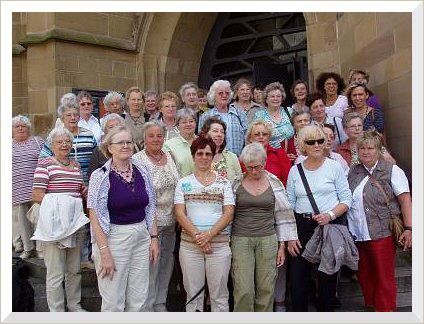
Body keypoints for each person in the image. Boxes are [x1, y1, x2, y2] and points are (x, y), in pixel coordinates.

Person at [87, 126, 159, 311]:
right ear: (109, 148)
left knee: (139, 298)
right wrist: (104, 252)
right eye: (121, 142)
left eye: (129, 142)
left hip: (141, 235)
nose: (126, 146)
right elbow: (94, 215)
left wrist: (153, 238)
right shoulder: (100, 176)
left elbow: (150, 206)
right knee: (113, 301)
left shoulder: (142, 170)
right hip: (114, 238)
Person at [286, 125, 352, 312]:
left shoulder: (334, 166)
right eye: (310, 142)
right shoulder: (295, 171)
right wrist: (291, 236)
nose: (316, 145)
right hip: (302, 226)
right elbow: (289, 205)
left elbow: (346, 199)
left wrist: (330, 215)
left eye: (320, 141)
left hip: (329, 226)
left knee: (327, 280)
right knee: (298, 280)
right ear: (302, 146)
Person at [347, 130, 412, 312]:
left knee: (384, 275)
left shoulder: (391, 170)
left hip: (381, 232)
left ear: (379, 150)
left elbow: (405, 199)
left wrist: (409, 228)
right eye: (362, 148)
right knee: (365, 274)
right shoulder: (353, 171)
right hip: (357, 233)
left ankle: (385, 311)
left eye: (370, 148)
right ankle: (372, 306)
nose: (366, 152)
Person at [231, 143, 298, 312]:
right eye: (250, 167)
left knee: (266, 288)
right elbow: (227, 214)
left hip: (268, 238)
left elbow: (284, 215)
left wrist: (282, 246)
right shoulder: (236, 184)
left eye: (258, 167)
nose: (254, 171)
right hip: (241, 238)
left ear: (265, 162)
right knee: (243, 288)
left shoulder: (274, 183)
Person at [174, 136, 235, 312]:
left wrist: (209, 236)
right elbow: (179, 212)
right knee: (193, 295)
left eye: (208, 153)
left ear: (213, 156)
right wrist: (199, 237)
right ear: (193, 156)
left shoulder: (224, 183)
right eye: (199, 153)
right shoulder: (183, 183)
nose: (204, 157)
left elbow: (229, 212)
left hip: (219, 246)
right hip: (190, 247)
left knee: (220, 295)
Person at [32, 127, 89, 312]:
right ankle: (56, 311)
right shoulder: (45, 164)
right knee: (55, 272)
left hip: (75, 222)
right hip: (54, 224)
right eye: (59, 142)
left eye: (67, 142)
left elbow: (80, 189)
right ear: (51, 144)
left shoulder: (76, 165)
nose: (64, 145)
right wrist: (63, 204)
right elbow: (37, 194)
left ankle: (74, 305)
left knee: (74, 269)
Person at [133, 121, 180, 312]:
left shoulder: (170, 156)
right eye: (151, 136)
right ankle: (148, 306)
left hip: (171, 221)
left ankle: (160, 302)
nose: (155, 139)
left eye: (159, 135)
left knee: (166, 263)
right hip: (149, 224)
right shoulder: (137, 159)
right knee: (151, 265)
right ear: (144, 138)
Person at [39, 101, 96, 186]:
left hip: (87, 185)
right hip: (63, 185)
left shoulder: (89, 134)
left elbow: (96, 158)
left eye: (75, 115)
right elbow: (42, 159)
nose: (73, 118)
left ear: (79, 117)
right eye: (68, 115)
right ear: (62, 118)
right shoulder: (55, 135)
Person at [12, 115, 45, 258]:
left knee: (39, 217)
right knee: (23, 221)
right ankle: (28, 247)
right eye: (17, 126)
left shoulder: (38, 142)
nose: (20, 128)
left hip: (36, 187)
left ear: (29, 128)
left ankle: (40, 248)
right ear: (12, 130)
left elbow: (46, 160)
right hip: (16, 188)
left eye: (23, 126)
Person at [198, 80, 248, 156]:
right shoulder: (206, 116)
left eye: (227, 93)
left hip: (238, 160)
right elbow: (202, 140)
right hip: (215, 160)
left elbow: (247, 136)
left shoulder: (239, 113)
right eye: (220, 93)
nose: (224, 95)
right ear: (213, 95)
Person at [244, 120, 292, 186]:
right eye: (257, 134)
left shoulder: (280, 154)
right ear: (250, 138)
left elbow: (288, 181)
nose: (261, 137)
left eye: (265, 134)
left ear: (269, 138)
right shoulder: (244, 157)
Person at [253, 82, 295, 149]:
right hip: (269, 155)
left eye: (278, 96)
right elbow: (255, 138)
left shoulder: (289, 111)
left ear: (282, 98)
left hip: (290, 155)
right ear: (266, 99)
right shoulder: (259, 115)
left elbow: (299, 133)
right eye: (272, 96)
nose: (276, 99)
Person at [199, 116, 242, 182]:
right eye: (215, 131)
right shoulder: (197, 156)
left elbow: (239, 181)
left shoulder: (232, 157)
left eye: (222, 132)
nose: (219, 134)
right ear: (205, 134)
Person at [88, 113, 125, 179]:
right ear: (104, 131)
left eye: (117, 126)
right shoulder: (98, 150)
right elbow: (92, 175)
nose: (115, 129)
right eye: (111, 127)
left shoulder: (129, 146)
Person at [163, 108, 197, 178]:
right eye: (184, 122)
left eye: (191, 121)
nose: (188, 124)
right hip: (180, 186)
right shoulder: (169, 145)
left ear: (195, 123)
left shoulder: (204, 142)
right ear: (177, 126)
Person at [124, 86, 145, 151]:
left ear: (143, 102)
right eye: (133, 99)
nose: (136, 102)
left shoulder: (149, 119)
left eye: (139, 100)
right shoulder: (121, 119)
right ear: (127, 101)